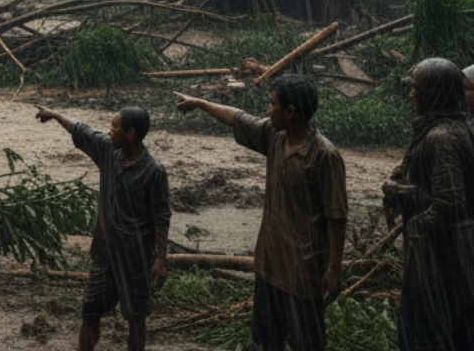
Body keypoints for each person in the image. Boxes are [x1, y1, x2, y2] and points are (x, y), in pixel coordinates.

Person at [176, 74, 347, 351]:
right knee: (269, 339)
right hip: (269, 265)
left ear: (289, 112)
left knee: (306, 343)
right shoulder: (274, 136)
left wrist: (334, 268)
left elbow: (336, 215)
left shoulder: (324, 156)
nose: (267, 111)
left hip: (302, 274)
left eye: (271, 104)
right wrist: (200, 103)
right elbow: (236, 117)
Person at [36, 105, 170, 351]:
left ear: (130, 133)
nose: (109, 131)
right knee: (90, 311)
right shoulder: (108, 151)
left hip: (136, 260)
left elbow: (161, 217)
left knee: (136, 319)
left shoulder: (153, 171)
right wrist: (54, 115)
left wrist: (160, 259)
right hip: (104, 255)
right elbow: (82, 130)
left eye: (114, 127)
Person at [382, 58, 474, 351]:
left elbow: (449, 203)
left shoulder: (442, 136)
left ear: (434, 92)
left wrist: (408, 210)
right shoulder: (460, 128)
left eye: (416, 87)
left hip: (439, 262)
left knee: (426, 336)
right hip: (456, 261)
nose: (411, 94)